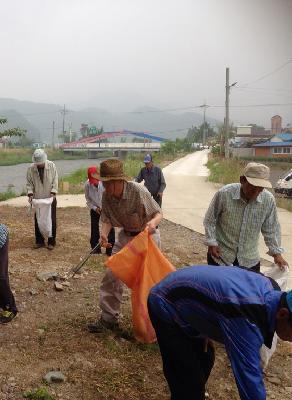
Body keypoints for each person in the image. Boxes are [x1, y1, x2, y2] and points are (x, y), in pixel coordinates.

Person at [148, 264, 292, 400]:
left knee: (205, 359)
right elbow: (249, 378)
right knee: (188, 380)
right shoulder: (248, 316)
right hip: (165, 302)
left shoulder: (273, 291)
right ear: (283, 314)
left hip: (189, 299)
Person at [87, 159, 162, 333]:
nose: (106, 188)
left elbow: (158, 213)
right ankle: (108, 319)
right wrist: (104, 234)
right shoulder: (106, 196)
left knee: (149, 282)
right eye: (104, 184)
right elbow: (106, 219)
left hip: (147, 237)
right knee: (111, 274)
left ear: (120, 181)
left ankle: (153, 323)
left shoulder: (138, 190)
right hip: (125, 237)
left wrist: (153, 224)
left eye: (109, 184)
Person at [203, 162, 288, 272]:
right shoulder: (224, 194)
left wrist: (277, 254)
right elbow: (210, 220)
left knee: (247, 289)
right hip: (221, 256)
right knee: (218, 289)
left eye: (260, 189)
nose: (256, 193)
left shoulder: (268, 200)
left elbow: (271, 229)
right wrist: (211, 242)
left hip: (249, 261)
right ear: (242, 180)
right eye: (253, 188)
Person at [26, 149, 58, 250]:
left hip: (50, 198)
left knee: (51, 219)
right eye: (38, 163)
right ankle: (39, 241)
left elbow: (55, 180)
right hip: (38, 199)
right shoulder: (31, 169)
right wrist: (30, 194)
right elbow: (29, 183)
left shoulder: (52, 166)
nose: (39, 165)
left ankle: (51, 241)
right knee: (38, 219)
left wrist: (53, 191)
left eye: (41, 163)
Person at [84, 166, 115, 256]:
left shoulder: (105, 183)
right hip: (95, 208)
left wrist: (105, 208)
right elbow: (88, 200)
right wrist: (95, 208)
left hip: (107, 208)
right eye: (93, 181)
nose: (95, 183)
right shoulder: (87, 185)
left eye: (96, 181)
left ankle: (110, 249)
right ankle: (95, 248)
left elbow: (111, 197)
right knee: (94, 228)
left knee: (109, 227)